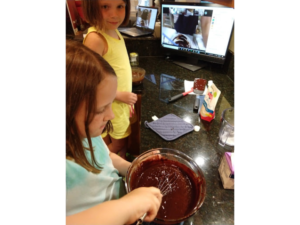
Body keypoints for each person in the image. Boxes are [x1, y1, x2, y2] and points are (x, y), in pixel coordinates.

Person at [66, 39, 162, 225]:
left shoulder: (89, 134)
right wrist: (128, 206)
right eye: (100, 110)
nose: (110, 115)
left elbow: (106, 157)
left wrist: (132, 168)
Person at [82, 0, 137, 160]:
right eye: (105, 6)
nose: (114, 14)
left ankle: (119, 163)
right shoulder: (96, 39)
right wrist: (119, 95)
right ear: (92, 8)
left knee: (122, 142)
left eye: (120, 6)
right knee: (117, 144)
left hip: (120, 105)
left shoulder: (114, 30)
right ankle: (104, 163)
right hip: (111, 105)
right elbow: (89, 83)